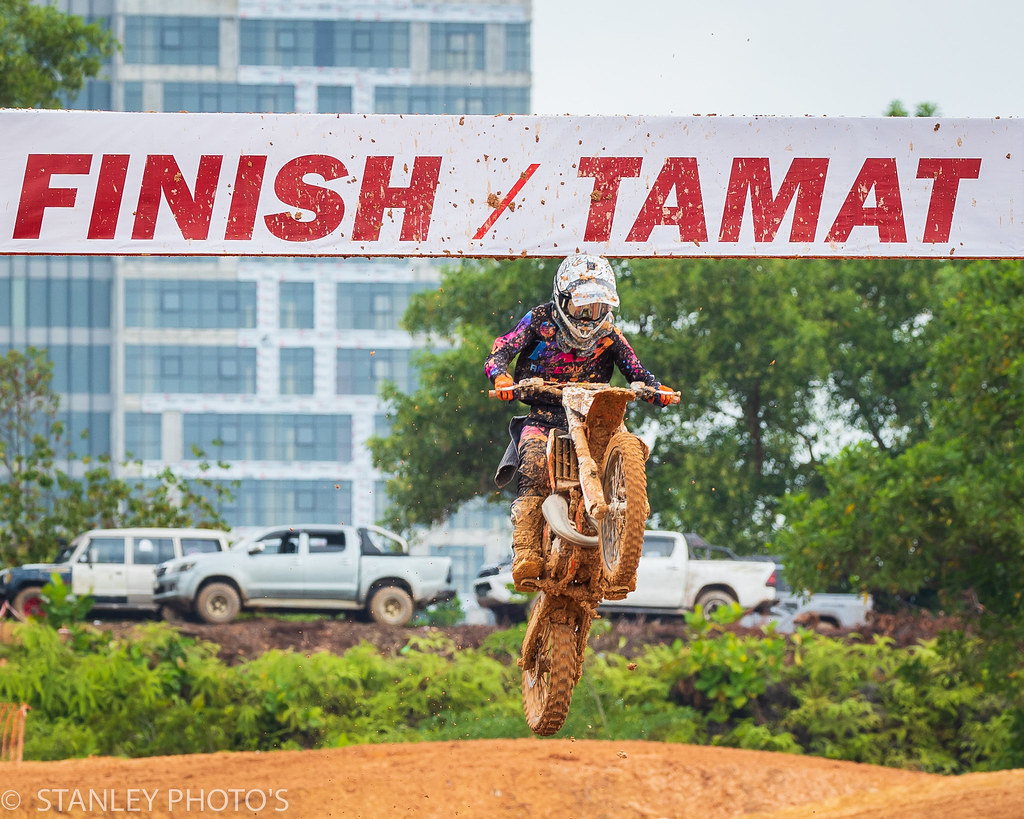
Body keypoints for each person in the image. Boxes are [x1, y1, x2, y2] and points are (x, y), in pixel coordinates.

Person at [485, 253, 675, 589]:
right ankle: (526, 550)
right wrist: (501, 378)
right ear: (562, 300)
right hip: (545, 413)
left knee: (633, 460)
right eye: (582, 308)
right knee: (533, 462)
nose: (589, 318)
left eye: (598, 308)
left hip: (595, 415)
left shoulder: (610, 335)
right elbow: (502, 348)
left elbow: (638, 372)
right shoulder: (539, 321)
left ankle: (623, 558)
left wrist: (656, 390)